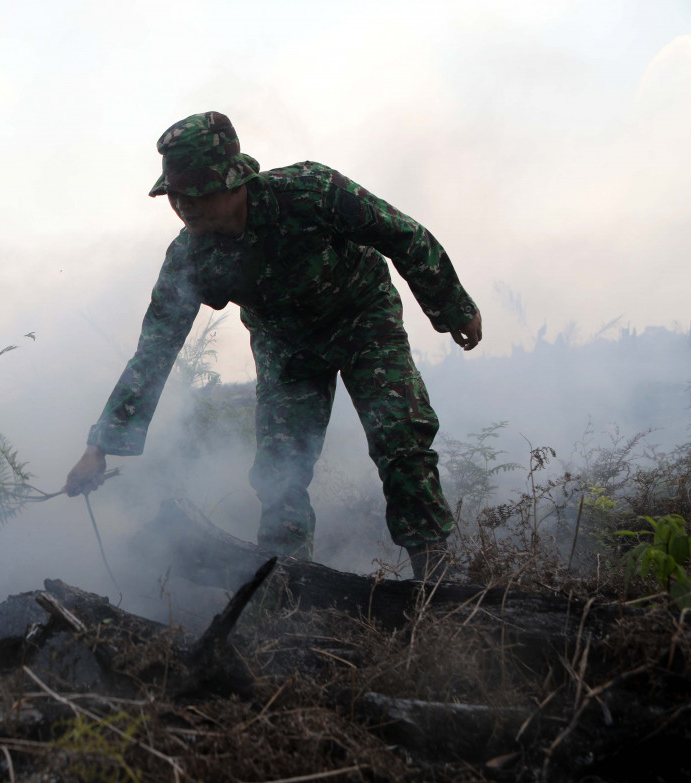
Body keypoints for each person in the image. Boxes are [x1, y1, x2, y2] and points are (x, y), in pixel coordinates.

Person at [62, 112, 483, 580]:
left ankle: (435, 575)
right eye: (174, 194)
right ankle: (287, 587)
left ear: (234, 179)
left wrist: (452, 306)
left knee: (400, 436)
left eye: (196, 191)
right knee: (279, 473)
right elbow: (153, 351)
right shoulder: (190, 257)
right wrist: (99, 446)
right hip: (287, 350)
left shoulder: (311, 191)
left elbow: (401, 235)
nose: (184, 205)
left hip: (363, 320)